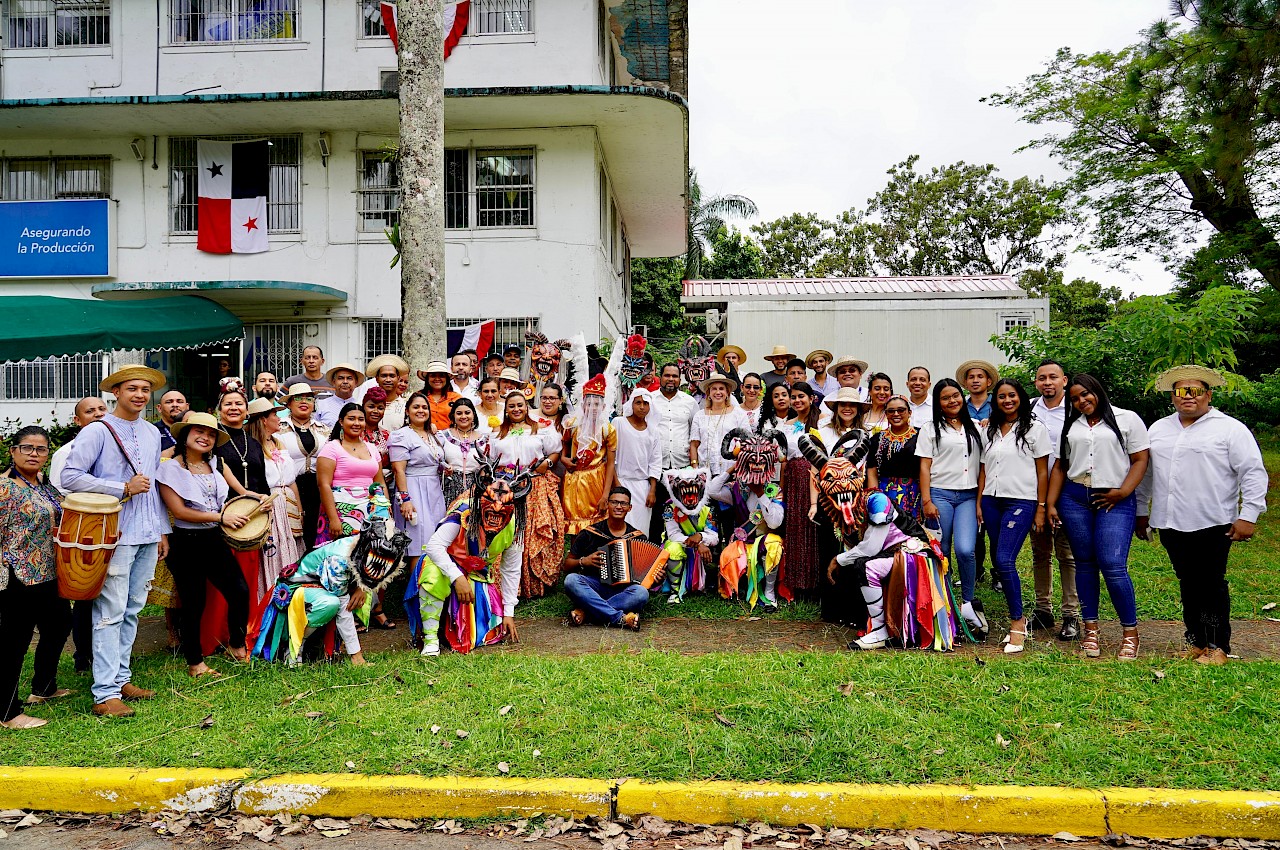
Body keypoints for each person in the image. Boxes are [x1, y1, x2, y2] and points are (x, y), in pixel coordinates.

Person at [1136, 365, 1268, 666]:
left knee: (1211, 584)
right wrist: (1142, 512)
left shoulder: (1230, 429)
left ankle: (1217, 645)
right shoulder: (1158, 429)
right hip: (1170, 521)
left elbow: (1252, 472)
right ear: (1172, 397)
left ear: (1208, 394)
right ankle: (1195, 641)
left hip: (1212, 521)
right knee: (1188, 582)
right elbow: (1145, 475)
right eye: (1180, 391)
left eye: (1195, 391)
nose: (1188, 397)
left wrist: (1248, 515)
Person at [64, 365, 171, 718]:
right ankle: (104, 693)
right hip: (112, 533)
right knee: (109, 612)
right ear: (117, 393)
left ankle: (121, 679)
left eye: (145, 389)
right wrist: (120, 487)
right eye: (132, 389)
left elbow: (152, 484)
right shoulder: (98, 430)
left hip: (144, 532)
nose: (139, 395)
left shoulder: (153, 433)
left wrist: (160, 531)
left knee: (133, 609)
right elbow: (70, 476)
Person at [1046, 373, 1149, 661]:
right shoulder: (1072, 425)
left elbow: (1141, 459)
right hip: (1075, 498)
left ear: (1097, 391)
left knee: (1113, 564)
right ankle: (1090, 629)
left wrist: (1123, 491)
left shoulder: (1126, 419)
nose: (1081, 401)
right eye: (1075, 398)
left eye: (1085, 394)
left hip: (1114, 499)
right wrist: (1051, 504)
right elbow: (1060, 467)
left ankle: (1130, 633)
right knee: (1085, 564)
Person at [156, 413, 252, 677]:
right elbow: (180, 511)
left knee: (239, 591)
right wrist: (221, 517)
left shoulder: (216, 464)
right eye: (198, 432)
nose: (205, 437)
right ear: (184, 436)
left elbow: (240, 492)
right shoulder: (169, 468)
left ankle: (235, 644)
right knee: (194, 601)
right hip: (184, 543)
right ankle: (195, 661)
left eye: (210, 434)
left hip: (213, 538)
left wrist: (256, 500)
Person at [407, 462, 530, 654]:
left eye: (505, 504)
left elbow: (511, 569)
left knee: (481, 636)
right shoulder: (462, 512)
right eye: (491, 502)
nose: (497, 508)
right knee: (432, 574)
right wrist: (457, 577)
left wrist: (508, 613)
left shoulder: (514, 526)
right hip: (444, 567)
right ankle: (430, 639)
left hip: (477, 576)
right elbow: (434, 546)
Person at [253, 514, 409, 666]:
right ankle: (293, 646)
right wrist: (356, 655)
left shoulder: (363, 547)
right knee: (331, 603)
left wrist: (363, 587)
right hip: (297, 589)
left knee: (356, 599)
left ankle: (313, 647)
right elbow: (344, 608)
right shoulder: (339, 560)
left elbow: (374, 573)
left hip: (323, 589)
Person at [0, 426, 74, 729]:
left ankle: (43, 688)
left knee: (59, 625)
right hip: (15, 575)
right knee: (13, 643)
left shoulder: (44, 484)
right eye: (27, 448)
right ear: (13, 451)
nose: (34, 454)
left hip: (47, 572)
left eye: (41, 449)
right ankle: (7, 712)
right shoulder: (5, 488)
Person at [976, 379, 1050, 654]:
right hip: (992, 500)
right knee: (998, 558)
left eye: (1012, 396)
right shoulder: (991, 429)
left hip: (1021, 499)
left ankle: (1018, 622)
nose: (1007, 400)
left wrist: (1041, 507)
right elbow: (983, 467)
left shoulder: (1034, 429)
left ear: (1021, 398)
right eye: (1002, 397)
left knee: (1005, 559)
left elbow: (1043, 471)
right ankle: (1017, 616)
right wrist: (980, 501)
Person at [831, 492, 958, 652]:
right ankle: (882, 628)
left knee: (866, 567)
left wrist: (839, 560)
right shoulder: (858, 505)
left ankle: (879, 632)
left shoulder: (878, 501)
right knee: (863, 564)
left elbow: (871, 548)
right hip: (899, 553)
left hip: (915, 557)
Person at [916, 378, 987, 640]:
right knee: (941, 550)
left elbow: (983, 467)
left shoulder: (977, 428)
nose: (952, 401)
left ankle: (967, 602)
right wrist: (927, 500)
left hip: (968, 496)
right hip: (940, 495)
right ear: (939, 402)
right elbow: (924, 466)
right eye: (946, 398)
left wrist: (980, 501)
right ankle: (942, 601)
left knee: (966, 550)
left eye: (956, 395)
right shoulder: (930, 428)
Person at [49, 395, 109, 673]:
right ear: (77, 420)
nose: (97, 414)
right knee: (86, 594)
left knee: (109, 594)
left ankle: (107, 652)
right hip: (82, 530)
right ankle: (83, 655)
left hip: (110, 528)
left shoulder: (113, 446)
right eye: (90, 411)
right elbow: (61, 494)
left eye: (101, 409)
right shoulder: (66, 452)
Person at [1029, 359, 1080, 640]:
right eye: (1041, 378)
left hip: (1067, 491)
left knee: (1067, 554)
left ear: (1064, 380)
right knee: (1040, 552)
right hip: (1035, 492)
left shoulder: (1075, 411)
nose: (1047, 382)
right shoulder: (1030, 410)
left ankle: (1071, 614)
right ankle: (1043, 608)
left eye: (1052, 377)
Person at [710, 430, 786, 610]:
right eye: (751, 461)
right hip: (743, 543)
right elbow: (713, 491)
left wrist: (760, 493)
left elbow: (775, 523)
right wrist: (733, 468)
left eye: (761, 462)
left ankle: (769, 594)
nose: (757, 466)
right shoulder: (737, 488)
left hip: (764, 541)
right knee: (728, 553)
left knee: (774, 546)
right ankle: (736, 589)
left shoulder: (774, 491)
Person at [562, 487, 657, 629]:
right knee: (571, 581)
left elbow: (646, 579)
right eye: (614, 502)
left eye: (623, 504)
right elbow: (567, 565)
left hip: (623, 591)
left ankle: (587, 612)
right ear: (607, 505)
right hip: (594, 587)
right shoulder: (590, 533)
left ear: (629, 508)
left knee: (641, 593)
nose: (619, 506)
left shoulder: (638, 537)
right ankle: (620, 618)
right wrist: (584, 561)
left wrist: (656, 577)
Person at [245, 398, 304, 596]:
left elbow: (291, 479)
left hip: (288, 500)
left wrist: (299, 508)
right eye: (274, 415)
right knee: (273, 548)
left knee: (291, 544)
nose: (279, 419)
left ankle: (290, 593)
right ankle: (269, 595)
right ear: (263, 420)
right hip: (269, 501)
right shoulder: (252, 448)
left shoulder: (279, 442)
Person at [390, 392, 448, 567]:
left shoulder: (434, 434)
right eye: (416, 407)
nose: (421, 410)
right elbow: (398, 469)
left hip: (434, 489)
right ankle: (416, 588)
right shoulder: (401, 435)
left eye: (424, 407)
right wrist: (405, 499)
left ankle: (432, 585)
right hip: (413, 487)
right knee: (418, 538)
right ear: (407, 411)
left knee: (435, 537)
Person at [523, 386, 567, 599]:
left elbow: (558, 450)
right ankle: (527, 578)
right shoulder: (529, 416)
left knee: (551, 525)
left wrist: (549, 462)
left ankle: (546, 575)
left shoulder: (567, 421)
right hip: (527, 477)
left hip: (555, 477)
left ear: (561, 400)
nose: (548, 402)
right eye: (544, 398)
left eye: (552, 398)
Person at [780, 381, 823, 597]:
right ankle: (798, 582)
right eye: (794, 397)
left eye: (801, 397)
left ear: (811, 398)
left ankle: (816, 583)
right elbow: (784, 459)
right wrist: (781, 488)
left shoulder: (823, 421)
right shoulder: (787, 424)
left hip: (815, 477)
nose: (797, 401)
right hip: (794, 477)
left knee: (814, 527)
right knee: (796, 526)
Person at [562, 374, 618, 537]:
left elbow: (610, 463)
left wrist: (606, 495)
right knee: (575, 529)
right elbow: (564, 447)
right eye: (589, 404)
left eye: (597, 404)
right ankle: (576, 560)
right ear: (583, 405)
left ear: (603, 406)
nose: (593, 408)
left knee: (597, 528)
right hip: (574, 481)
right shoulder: (572, 425)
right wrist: (565, 458)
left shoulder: (608, 430)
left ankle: (595, 560)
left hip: (596, 480)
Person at [649, 364, 699, 542]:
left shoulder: (689, 402)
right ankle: (654, 551)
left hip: (682, 468)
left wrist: (694, 466)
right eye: (667, 375)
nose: (671, 379)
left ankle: (681, 555)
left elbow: (695, 432)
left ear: (681, 379)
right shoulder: (650, 400)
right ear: (660, 377)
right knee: (655, 514)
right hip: (656, 468)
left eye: (675, 376)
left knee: (683, 513)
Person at [275, 384, 328, 551]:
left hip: (318, 487)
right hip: (290, 487)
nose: (304, 402)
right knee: (294, 532)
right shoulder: (278, 428)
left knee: (316, 533)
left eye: (308, 398)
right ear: (289, 403)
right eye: (298, 398)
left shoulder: (324, 429)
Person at [659, 467, 718, 603]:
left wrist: (701, 537)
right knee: (673, 548)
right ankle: (674, 590)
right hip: (682, 546)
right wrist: (697, 543)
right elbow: (673, 534)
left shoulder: (709, 509)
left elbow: (714, 536)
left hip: (702, 551)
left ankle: (704, 584)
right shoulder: (670, 508)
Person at [866, 396, 922, 521]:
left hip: (913, 493)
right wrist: (875, 496)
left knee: (911, 535)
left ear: (909, 413)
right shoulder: (877, 439)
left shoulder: (921, 436)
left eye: (901, 410)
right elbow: (872, 472)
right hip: (884, 493)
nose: (896, 414)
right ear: (886, 414)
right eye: (891, 411)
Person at [614, 388, 662, 532]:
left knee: (640, 529)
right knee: (619, 527)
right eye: (638, 403)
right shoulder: (619, 423)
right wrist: (617, 486)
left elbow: (655, 461)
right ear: (631, 404)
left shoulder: (653, 431)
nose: (642, 407)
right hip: (621, 481)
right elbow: (611, 457)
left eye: (646, 403)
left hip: (643, 487)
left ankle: (639, 555)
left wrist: (652, 490)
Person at [438, 398, 491, 507]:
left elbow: (487, 466)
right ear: (453, 416)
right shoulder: (442, 436)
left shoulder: (484, 439)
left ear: (473, 415)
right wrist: (444, 469)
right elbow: (436, 460)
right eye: (459, 413)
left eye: (467, 413)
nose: (463, 416)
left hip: (476, 486)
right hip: (450, 485)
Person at [360, 354, 410, 430]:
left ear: (398, 378)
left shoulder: (406, 406)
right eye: (384, 376)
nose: (388, 380)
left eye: (392, 376)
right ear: (377, 379)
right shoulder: (366, 405)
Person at [818, 386, 870, 451]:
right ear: (836, 408)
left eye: (852, 405)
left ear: (858, 409)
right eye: (843, 404)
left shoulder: (867, 434)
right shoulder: (823, 433)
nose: (847, 408)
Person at [418, 361, 462, 432]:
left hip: (450, 439)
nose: (437, 379)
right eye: (433, 375)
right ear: (427, 378)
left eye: (441, 375)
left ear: (447, 379)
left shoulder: (456, 398)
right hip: (423, 437)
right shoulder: (418, 397)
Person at [315, 363, 362, 428]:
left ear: (355, 383)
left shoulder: (360, 406)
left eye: (349, 378)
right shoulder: (321, 405)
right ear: (334, 382)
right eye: (340, 378)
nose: (345, 382)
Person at [360, 386, 392, 466]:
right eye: (371, 407)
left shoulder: (387, 436)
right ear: (363, 407)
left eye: (380, 408)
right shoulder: (353, 433)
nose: (375, 411)